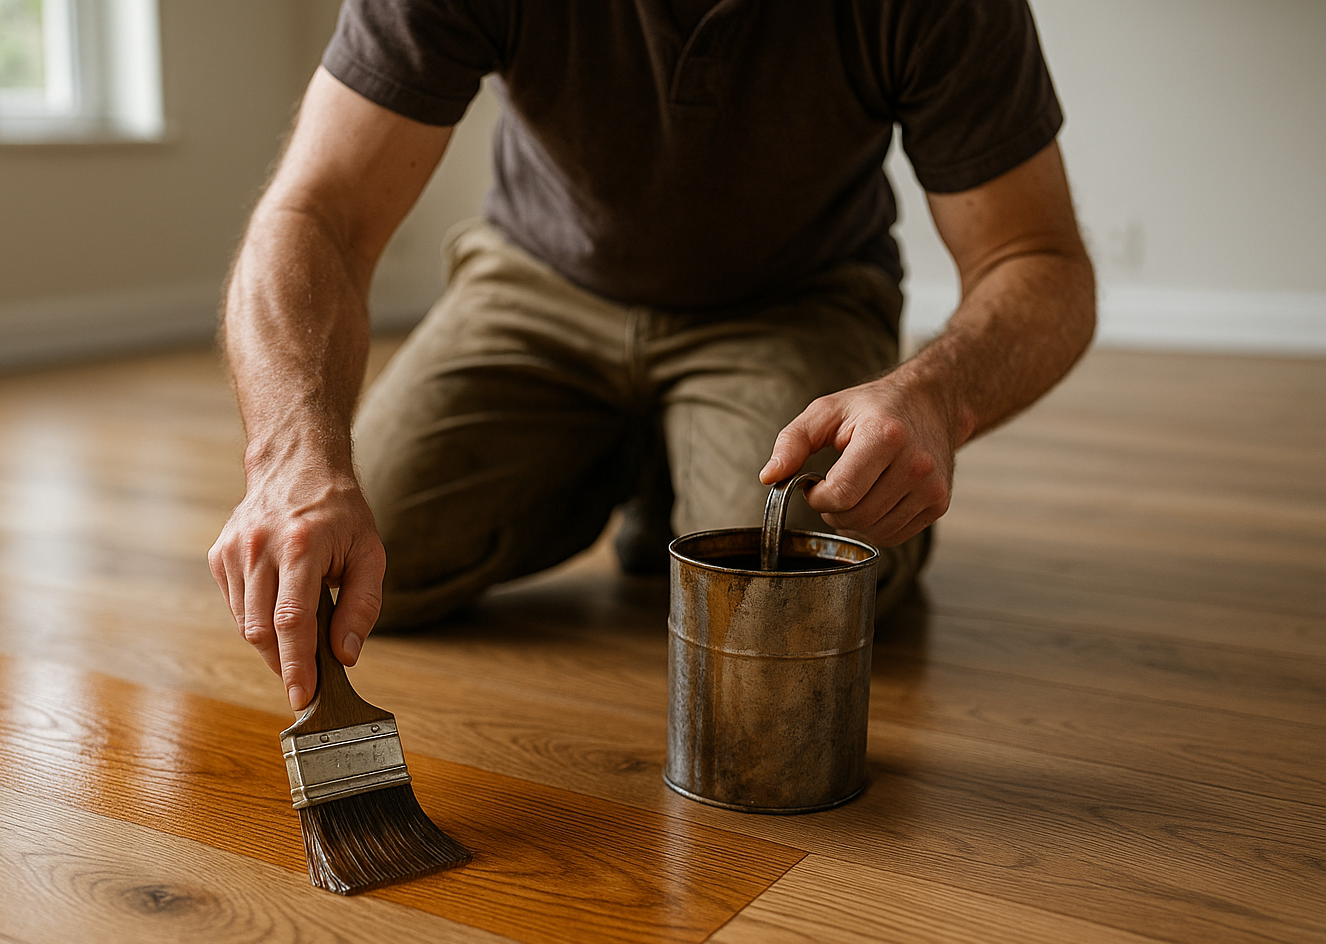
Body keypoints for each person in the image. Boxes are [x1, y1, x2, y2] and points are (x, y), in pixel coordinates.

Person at [209, 0, 1097, 713]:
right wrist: (293, 459)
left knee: (779, 602)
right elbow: (314, 211)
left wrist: (935, 398)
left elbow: (1038, 260)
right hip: (540, 281)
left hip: (791, 302)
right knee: (360, 567)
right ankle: (642, 455)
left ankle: (673, 457)